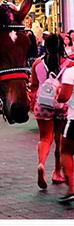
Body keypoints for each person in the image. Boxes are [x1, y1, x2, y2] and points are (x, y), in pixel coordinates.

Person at [32, 33, 71, 189]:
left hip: (42, 104)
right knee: (60, 139)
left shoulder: (37, 63)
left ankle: (41, 164)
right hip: (63, 105)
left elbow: (33, 86)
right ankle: (57, 172)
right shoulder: (69, 64)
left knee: (44, 138)